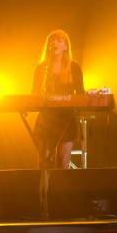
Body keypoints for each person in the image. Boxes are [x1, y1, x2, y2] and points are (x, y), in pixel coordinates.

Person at [32, 29, 85, 169]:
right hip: (46, 119)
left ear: (66, 46)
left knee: (63, 161)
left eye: (58, 40)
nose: (54, 42)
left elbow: (80, 94)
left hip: (67, 118)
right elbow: (33, 96)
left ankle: (62, 190)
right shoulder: (41, 68)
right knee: (44, 162)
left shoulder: (74, 67)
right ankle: (44, 190)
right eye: (51, 40)